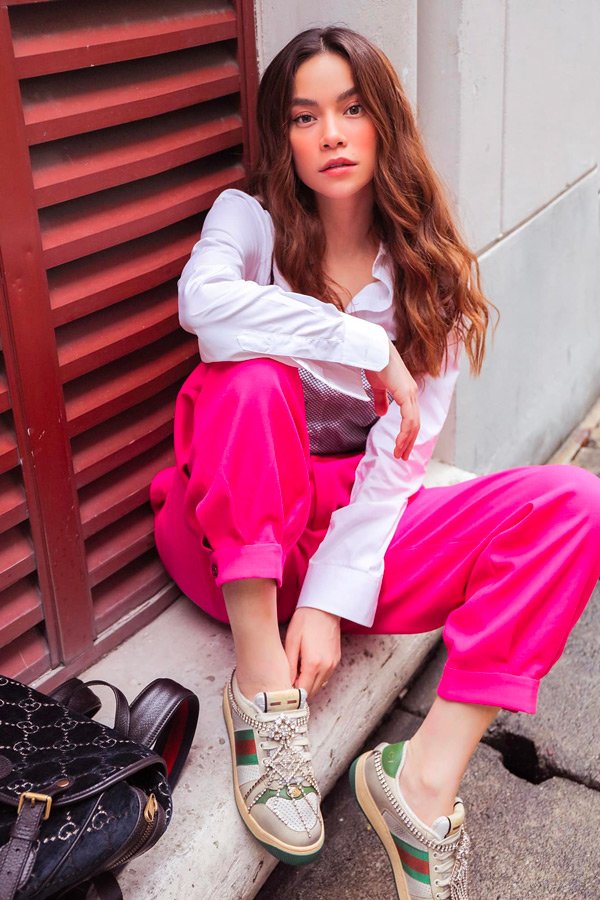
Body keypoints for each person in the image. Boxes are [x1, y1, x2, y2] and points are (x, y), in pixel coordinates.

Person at [150, 26, 600, 900]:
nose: (331, 134)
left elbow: (398, 467)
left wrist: (326, 600)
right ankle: (261, 695)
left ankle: (420, 784)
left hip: (351, 540)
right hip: (234, 538)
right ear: (282, 136)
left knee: (574, 504)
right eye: (304, 116)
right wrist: (360, 342)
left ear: (384, 121)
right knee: (247, 378)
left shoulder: (428, 274)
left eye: (352, 109)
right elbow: (202, 306)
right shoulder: (248, 221)